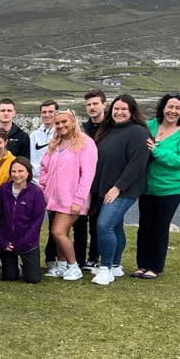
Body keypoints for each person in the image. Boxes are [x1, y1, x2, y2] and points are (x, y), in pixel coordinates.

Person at [134, 93, 180, 279]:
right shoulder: (151, 125)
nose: (173, 111)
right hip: (147, 186)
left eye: (178, 108)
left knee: (160, 227)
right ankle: (142, 265)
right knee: (144, 226)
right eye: (170, 106)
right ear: (163, 107)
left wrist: (157, 151)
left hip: (170, 188)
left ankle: (154, 267)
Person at [90, 94, 151, 285]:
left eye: (124, 109)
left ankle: (106, 268)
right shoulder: (108, 130)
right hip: (105, 186)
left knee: (104, 226)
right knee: (115, 226)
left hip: (124, 189)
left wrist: (117, 188)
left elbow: (136, 165)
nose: (119, 112)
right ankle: (116, 265)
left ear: (132, 111)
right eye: (116, 108)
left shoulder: (138, 132)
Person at [39, 108, 97, 281]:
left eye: (64, 122)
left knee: (58, 231)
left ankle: (74, 266)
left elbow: (88, 174)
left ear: (73, 122)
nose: (61, 126)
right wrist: (43, 189)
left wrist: (79, 199)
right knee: (59, 231)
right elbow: (44, 167)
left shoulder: (85, 143)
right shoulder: (55, 143)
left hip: (73, 198)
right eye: (57, 123)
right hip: (53, 197)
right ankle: (62, 265)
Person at [0, 157, 46, 283]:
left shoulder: (36, 192)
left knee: (33, 279)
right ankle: (15, 268)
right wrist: (2, 242)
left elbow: (37, 222)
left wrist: (22, 242)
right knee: (10, 277)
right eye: (13, 171)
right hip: (7, 244)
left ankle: (26, 266)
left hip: (28, 243)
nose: (16, 175)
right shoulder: (3, 189)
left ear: (28, 172)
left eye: (20, 171)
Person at [73, 89, 107, 270]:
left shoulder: (111, 128)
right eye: (88, 105)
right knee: (79, 222)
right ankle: (78, 259)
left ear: (104, 105)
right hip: (82, 183)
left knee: (98, 223)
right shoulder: (83, 129)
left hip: (103, 182)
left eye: (95, 104)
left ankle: (94, 257)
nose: (92, 107)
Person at [29, 100, 58, 181]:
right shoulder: (34, 135)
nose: (47, 115)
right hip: (34, 182)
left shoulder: (61, 135)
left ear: (56, 113)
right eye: (44, 112)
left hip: (53, 182)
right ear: (40, 114)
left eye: (50, 112)